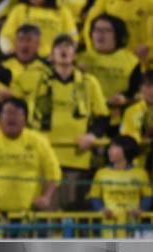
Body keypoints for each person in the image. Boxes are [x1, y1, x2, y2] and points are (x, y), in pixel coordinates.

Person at [13, 35, 109, 209]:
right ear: (51, 55)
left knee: (73, 211)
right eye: (59, 47)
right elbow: (19, 105)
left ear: (74, 55)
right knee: (48, 213)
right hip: (44, 157)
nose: (64, 50)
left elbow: (102, 116)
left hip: (77, 157)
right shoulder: (36, 80)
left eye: (68, 47)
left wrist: (92, 135)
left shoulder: (89, 83)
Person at [0, 98, 61, 220]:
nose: (12, 117)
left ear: (25, 119)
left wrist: (46, 197)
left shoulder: (38, 141)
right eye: (7, 112)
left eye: (17, 113)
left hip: (30, 215)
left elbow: (53, 173)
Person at [0, 24, 48, 128]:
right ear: (14, 43)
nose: (24, 45)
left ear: (38, 44)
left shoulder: (48, 69)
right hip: (3, 135)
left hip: (39, 135)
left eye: (29, 40)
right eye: (21, 40)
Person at [78, 14, 141, 137]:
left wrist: (125, 99)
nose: (101, 34)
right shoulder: (80, 58)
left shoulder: (131, 61)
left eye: (107, 30)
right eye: (97, 30)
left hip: (118, 120)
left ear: (117, 35)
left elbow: (137, 92)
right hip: (86, 119)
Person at [88, 136, 152, 226]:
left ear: (126, 149)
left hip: (133, 224)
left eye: (113, 147)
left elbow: (148, 196)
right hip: (109, 224)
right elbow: (94, 196)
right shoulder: (101, 173)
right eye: (109, 148)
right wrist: (102, 209)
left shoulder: (141, 173)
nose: (109, 151)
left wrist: (141, 209)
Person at [0, 0, 78, 57]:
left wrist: (61, 55)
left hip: (53, 61)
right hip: (26, 61)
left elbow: (72, 38)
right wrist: (14, 55)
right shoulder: (19, 10)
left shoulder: (62, 11)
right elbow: (5, 37)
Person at [83, 0, 153, 60]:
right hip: (113, 57)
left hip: (141, 57)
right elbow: (89, 24)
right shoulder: (104, 2)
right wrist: (91, 50)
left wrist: (149, 45)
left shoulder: (148, 2)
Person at [121, 71, 153, 168]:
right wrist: (146, 135)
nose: (151, 91)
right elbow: (127, 140)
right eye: (148, 86)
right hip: (138, 165)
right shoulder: (131, 111)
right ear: (140, 88)